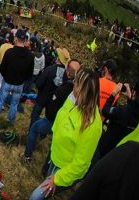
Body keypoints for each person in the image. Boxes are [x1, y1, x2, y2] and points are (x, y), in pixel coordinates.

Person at [28, 68, 102, 200]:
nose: (74, 85)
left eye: (77, 83)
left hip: (64, 168)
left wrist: (58, 179)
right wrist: (55, 135)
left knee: (35, 197)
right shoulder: (73, 98)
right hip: (55, 155)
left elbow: (81, 164)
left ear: (84, 90)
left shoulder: (92, 124)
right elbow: (62, 114)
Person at [23, 60, 80, 162]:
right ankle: (47, 166)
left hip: (53, 120)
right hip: (66, 125)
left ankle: (27, 155)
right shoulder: (79, 91)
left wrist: (49, 115)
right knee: (54, 144)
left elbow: (40, 84)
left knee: (34, 128)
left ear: (67, 72)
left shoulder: (63, 88)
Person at [97, 79, 139, 157]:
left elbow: (105, 111)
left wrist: (114, 93)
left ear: (134, 93)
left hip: (103, 149)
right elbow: (133, 110)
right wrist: (130, 98)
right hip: (118, 153)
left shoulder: (122, 111)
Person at [0, 30, 34, 125]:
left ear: (16, 38)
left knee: (0, 101)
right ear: (25, 40)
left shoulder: (9, 52)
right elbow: (30, 74)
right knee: (14, 104)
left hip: (7, 82)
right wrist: (22, 79)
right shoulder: (30, 56)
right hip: (19, 84)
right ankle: (10, 121)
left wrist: (6, 76)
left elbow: (2, 68)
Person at [30, 48, 71, 127]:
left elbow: (39, 83)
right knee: (47, 119)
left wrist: (41, 90)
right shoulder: (66, 75)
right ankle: (42, 133)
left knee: (35, 114)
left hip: (42, 97)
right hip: (53, 101)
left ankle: (32, 130)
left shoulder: (50, 69)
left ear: (58, 58)